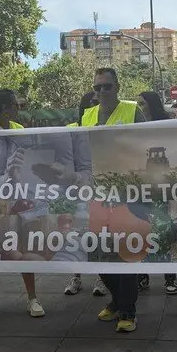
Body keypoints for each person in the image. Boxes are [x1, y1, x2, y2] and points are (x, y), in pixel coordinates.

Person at [82, 68, 145, 333]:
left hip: (127, 194)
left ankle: (128, 310)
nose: (101, 92)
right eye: (97, 88)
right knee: (96, 253)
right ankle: (118, 301)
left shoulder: (132, 110)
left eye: (106, 87)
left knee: (126, 254)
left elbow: (145, 145)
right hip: (97, 195)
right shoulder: (87, 115)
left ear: (117, 87)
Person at [0, 89, 45, 318]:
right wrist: (7, 176)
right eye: (16, 105)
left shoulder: (22, 132)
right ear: (5, 108)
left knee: (24, 247)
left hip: (19, 200)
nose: (19, 109)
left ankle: (32, 298)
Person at [63, 91, 109, 298]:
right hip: (77, 189)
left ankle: (101, 278)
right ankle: (76, 277)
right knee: (77, 234)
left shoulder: (106, 129)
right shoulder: (71, 130)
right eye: (93, 102)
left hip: (101, 189)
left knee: (99, 234)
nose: (97, 105)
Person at [136, 91, 177, 295]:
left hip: (162, 189)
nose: (140, 107)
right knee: (144, 228)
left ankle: (170, 276)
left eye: (142, 103)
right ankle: (143, 275)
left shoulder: (165, 124)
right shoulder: (137, 125)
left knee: (163, 230)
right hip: (146, 189)